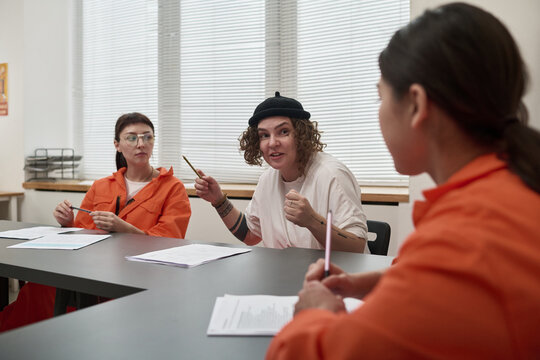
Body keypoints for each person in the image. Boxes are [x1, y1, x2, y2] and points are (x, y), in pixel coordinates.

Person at [267, 3, 540, 359]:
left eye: (381, 97)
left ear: (416, 104)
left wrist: (314, 312)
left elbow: (305, 353)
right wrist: (378, 283)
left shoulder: (466, 240)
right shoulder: (509, 192)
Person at [0, 112, 191, 332]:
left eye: (147, 137)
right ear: (117, 145)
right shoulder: (102, 185)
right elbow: (81, 235)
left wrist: (124, 228)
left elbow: (171, 242)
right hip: (91, 269)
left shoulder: (172, 188)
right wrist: (68, 223)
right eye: (131, 138)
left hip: (139, 274)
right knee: (38, 288)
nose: (141, 144)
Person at [195, 92, 368, 253]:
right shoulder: (268, 179)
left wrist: (312, 221)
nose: (272, 143)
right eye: (264, 135)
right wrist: (218, 201)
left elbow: (357, 247)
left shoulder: (331, 174)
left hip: (333, 281)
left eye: (283, 132)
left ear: (301, 135)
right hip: (285, 279)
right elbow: (250, 234)